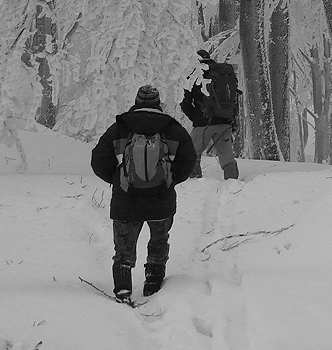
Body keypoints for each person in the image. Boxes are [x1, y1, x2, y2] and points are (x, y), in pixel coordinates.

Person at [91, 85, 196, 301]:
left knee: (123, 246)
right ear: (158, 103)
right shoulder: (172, 128)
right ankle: (152, 286)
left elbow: (98, 160)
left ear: (136, 102)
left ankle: (123, 289)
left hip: (126, 200)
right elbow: (189, 159)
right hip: (162, 200)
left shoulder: (120, 128)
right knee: (159, 241)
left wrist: (117, 178)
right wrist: (171, 179)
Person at [180, 49, 241, 181]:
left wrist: (196, 118)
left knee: (192, 154)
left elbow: (184, 102)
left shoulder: (196, 74)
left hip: (203, 124)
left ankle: (195, 181)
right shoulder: (223, 74)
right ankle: (232, 182)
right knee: (226, 156)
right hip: (225, 121)